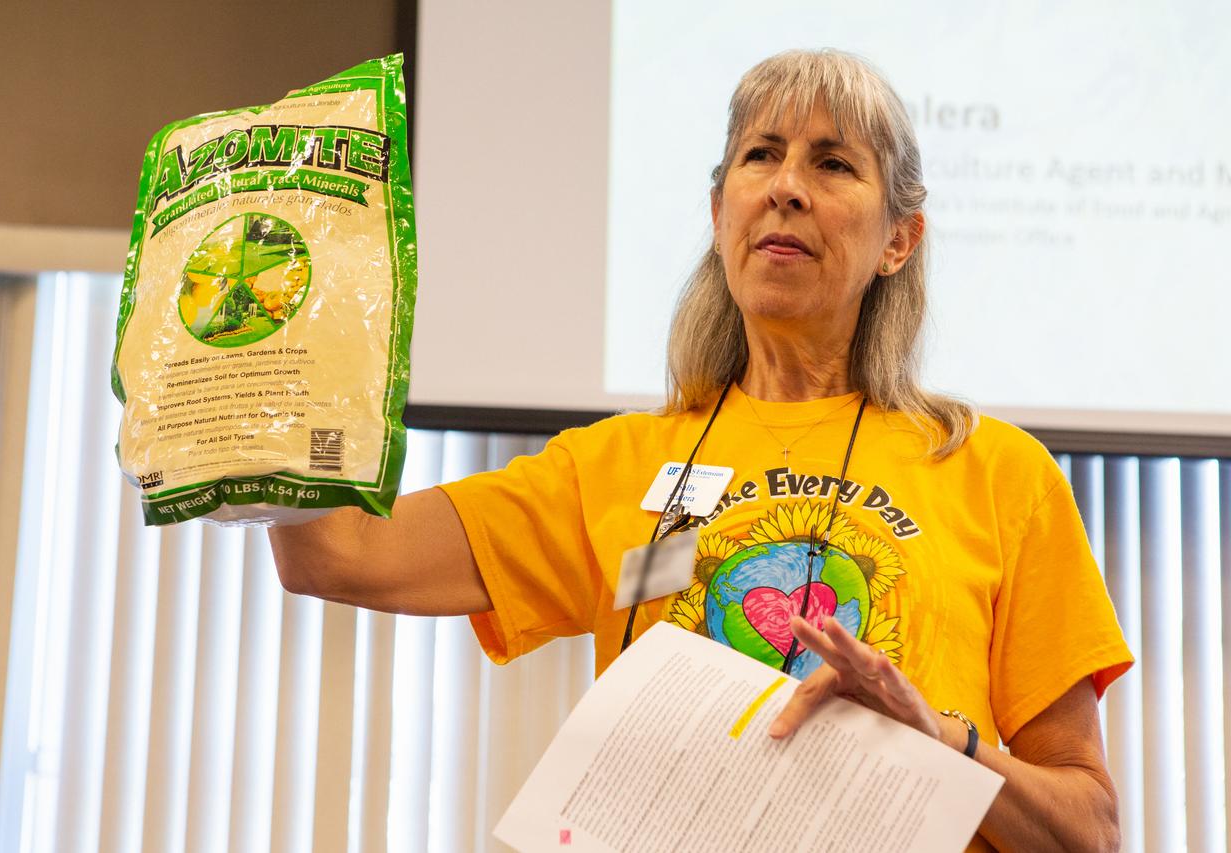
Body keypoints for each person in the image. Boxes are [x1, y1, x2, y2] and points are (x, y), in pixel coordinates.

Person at [271, 49, 1132, 851]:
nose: (787, 187)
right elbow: (337, 553)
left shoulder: (995, 472)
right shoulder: (614, 466)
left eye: (833, 163)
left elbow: (1087, 827)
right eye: (761, 155)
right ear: (721, 214)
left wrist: (938, 740)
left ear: (899, 240)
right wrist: (272, 361)